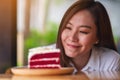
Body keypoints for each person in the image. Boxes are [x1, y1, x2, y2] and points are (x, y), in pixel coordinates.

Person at [56, 0, 120, 72]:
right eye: (68, 27)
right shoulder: (45, 58)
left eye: (83, 31)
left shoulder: (109, 61)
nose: (72, 37)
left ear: (98, 37)